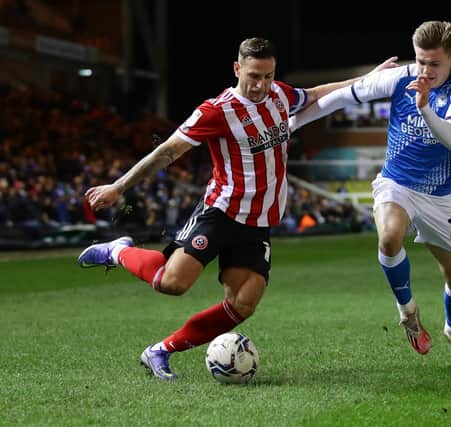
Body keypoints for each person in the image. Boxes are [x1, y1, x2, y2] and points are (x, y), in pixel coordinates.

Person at [77, 37, 397, 380]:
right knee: (173, 283)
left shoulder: (279, 95)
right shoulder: (216, 111)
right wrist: (119, 186)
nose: (261, 85)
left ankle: (160, 351)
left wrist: (369, 80)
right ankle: (118, 251)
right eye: (254, 76)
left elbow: (317, 93)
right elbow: (167, 152)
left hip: (258, 223)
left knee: (243, 303)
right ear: (237, 69)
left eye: (268, 76)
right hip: (221, 213)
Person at [290, 21, 451, 362]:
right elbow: (340, 98)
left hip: (437, 196)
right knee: (389, 238)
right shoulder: (400, 76)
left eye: (434, 64)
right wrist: (289, 127)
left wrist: (422, 105)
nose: (425, 70)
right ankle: (408, 312)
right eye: (421, 61)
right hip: (397, 183)